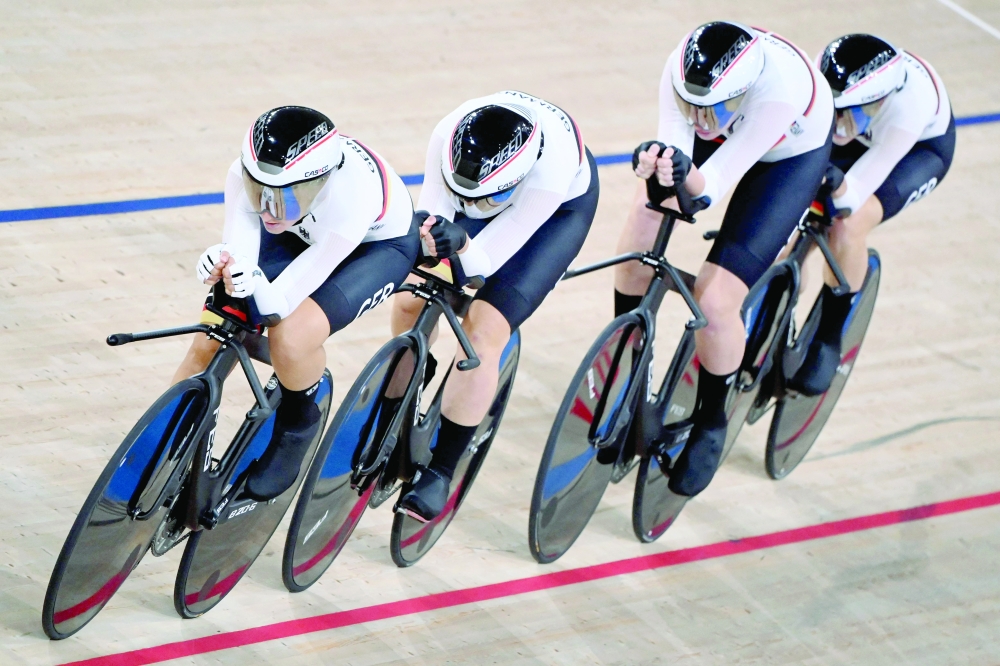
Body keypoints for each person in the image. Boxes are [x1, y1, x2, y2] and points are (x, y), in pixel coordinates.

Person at [617, 21, 834, 497]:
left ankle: (711, 421)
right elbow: (676, 149)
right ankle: (623, 358)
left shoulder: (776, 93)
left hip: (788, 155)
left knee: (714, 301)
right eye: (691, 104)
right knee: (641, 222)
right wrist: (656, 164)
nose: (700, 118)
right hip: (734, 123)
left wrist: (682, 175)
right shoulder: (679, 71)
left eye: (711, 108)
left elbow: (711, 186)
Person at [172, 106, 419, 502]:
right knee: (216, 328)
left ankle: (298, 428)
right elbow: (242, 251)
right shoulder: (245, 176)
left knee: (291, 336)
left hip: (375, 249)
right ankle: (162, 446)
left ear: (319, 183)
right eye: (260, 193)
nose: (268, 208)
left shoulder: (350, 199)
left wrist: (253, 282)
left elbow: (279, 304)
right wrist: (224, 262)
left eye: (284, 198)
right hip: (301, 231)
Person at [390, 91, 599, 521]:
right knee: (413, 290)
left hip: (553, 215)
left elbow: (485, 263)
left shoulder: (550, 171)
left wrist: (463, 242)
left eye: (481, 201)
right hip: (485, 183)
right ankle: (402, 391)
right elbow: (432, 217)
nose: (472, 209)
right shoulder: (446, 134)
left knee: (482, 331)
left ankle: (442, 471)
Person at [786, 34, 956, 395]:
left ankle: (828, 339)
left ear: (879, 102)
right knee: (789, 216)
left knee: (847, 224)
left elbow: (854, 196)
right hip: (866, 137)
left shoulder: (909, 110)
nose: (841, 123)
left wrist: (835, 184)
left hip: (917, 152)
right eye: (837, 111)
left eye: (851, 113)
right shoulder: (825, 78)